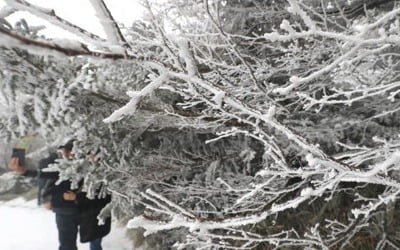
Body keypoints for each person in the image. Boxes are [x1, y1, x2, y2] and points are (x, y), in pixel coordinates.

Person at [8, 139, 111, 250]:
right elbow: (43, 173)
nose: (67, 153)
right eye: (65, 150)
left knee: (95, 242)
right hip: (64, 211)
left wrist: (77, 197)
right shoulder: (61, 166)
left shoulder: (97, 170)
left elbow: (104, 196)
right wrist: (24, 172)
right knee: (67, 246)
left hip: (89, 212)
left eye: (70, 151)